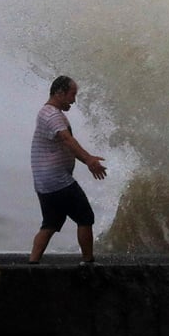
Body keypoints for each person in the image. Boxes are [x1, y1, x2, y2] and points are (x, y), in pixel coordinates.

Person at [28, 75, 107, 264]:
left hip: (44, 183)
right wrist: (88, 159)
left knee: (50, 224)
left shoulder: (47, 113)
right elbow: (67, 140)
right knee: (85, 217)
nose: (74, 100)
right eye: (72, 95)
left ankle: (32, 264)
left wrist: (87, 160)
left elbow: (66, 144)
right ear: (59, 93)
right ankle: (88, 263)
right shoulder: (52, 115)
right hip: (57, 181)